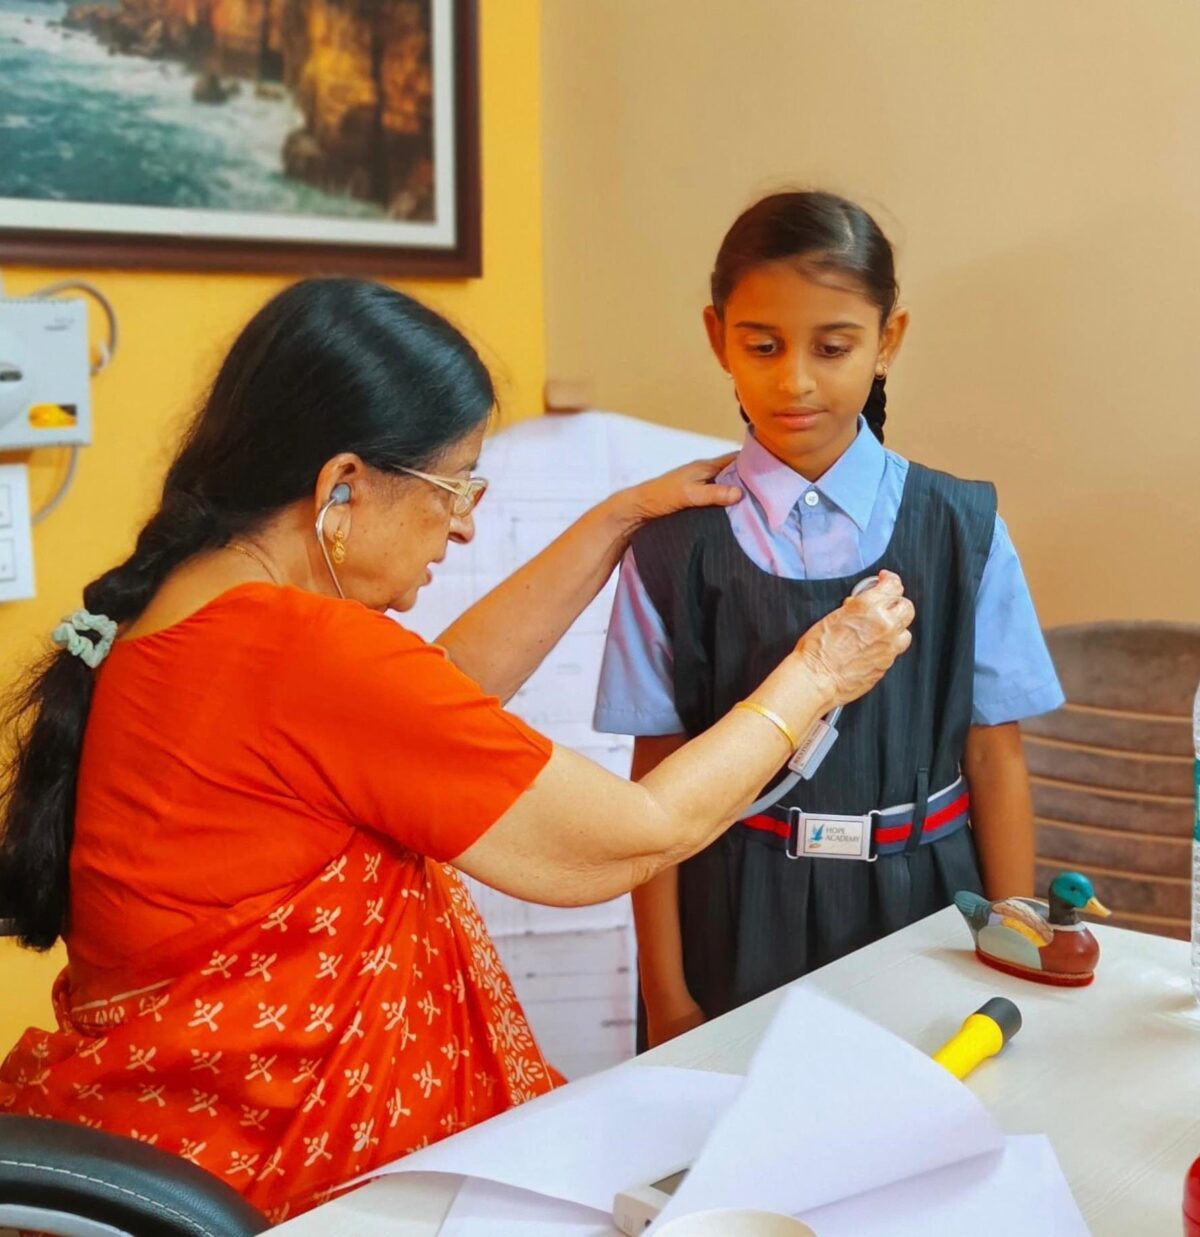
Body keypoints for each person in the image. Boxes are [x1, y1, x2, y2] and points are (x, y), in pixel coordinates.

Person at [0, 278, 914, 1221]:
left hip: (171, 1129)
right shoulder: (302, 649)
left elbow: (430, 703)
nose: (467, 522)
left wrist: (615, 520)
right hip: (286, 1176)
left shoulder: (196, 605)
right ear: (342, 486)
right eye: (454, 487)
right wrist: (820, 671)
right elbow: (630, 835)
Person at [594, 191, 1064, 1049]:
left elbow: (995, 755)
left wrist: (1013, 947)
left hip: (927, 916)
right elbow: (651, 783)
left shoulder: (964, 528)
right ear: (716, 337)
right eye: (762, 345)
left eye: (834, 345)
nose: (795, 379)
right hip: (732, 916)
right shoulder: (670, 551)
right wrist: (667, 998)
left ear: (888, 340)